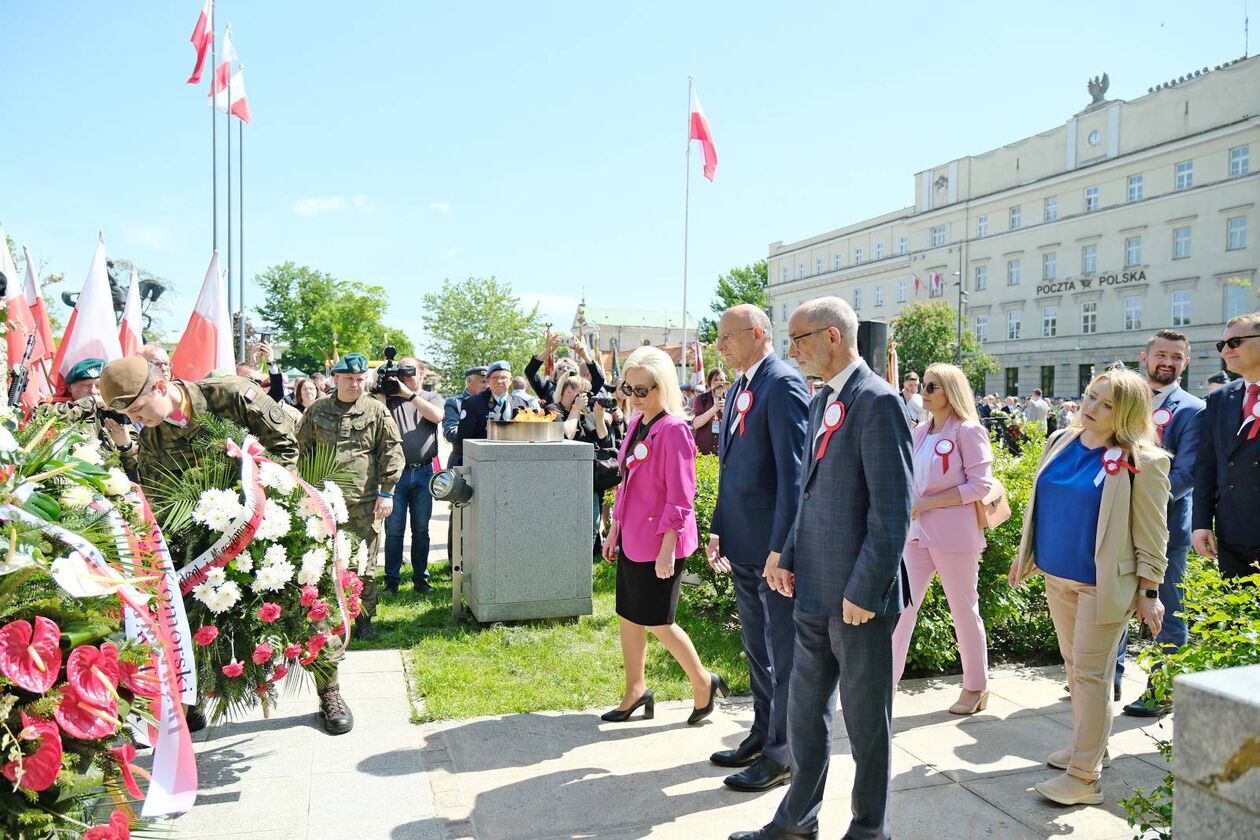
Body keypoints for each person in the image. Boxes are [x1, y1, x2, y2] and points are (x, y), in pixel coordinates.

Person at [738, 297, 912, 840]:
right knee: (805, 715)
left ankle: (868, 828)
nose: (792, 351)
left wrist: (865, 589)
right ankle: (796, 820)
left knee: (866, 726)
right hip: (811, 589)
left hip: (857, 602)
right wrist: (787, 558)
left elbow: (892, 513)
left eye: (798, 339)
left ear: (832, 336)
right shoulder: (821, 401)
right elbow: (808, 492)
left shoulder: (879, 402)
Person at [99, 354, 300, 733]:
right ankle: (189, 697)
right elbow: (161, 496)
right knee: (184, 610)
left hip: (268, 521)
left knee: (303, 603)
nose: (139, 421)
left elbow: (288, 446)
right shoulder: (155, 435)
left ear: (161, 385)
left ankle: (328, 687)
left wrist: (268, 503)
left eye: (140, 409)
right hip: (208, 541)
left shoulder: (230, 395)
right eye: (132, 416)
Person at [1010, 366, 1169, 807]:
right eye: (1090, 396)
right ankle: (1089, 746)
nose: (1091, 407)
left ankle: (1084, 777)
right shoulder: (1060, 441)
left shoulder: (1144, 461)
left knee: (1092, 676)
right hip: (1057, 577)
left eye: (1106, 403)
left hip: (1103, 587)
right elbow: (1044, 505)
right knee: (1075, 670)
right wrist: (1026, 557)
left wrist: (1149, 591)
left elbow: (1154, 534)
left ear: (1129, 412)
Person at [706, 304, 809, 794]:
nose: (720, 346)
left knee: (782, 651)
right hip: (743, 540)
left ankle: (783, 753)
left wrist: (782, 548)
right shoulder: (743, 386)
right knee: (756, 647)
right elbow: (732, 465)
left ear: (759, 333)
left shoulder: (783, 383)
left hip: (770, 547)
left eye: (728, 336)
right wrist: (718, 525)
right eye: (719, 338)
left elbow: (793, 475)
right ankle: (763, 733)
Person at [600, 346, 727, 726]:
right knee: (628, 615)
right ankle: (635, 690)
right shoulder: (639, 424)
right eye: (630, 388)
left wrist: (668, 547)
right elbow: (628, 484)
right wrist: (615, 530)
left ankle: (703, 681)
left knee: (658, 619)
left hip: (660, 541)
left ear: (663, 386)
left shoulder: (674, 429)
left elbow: (682, 495)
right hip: (633, 537)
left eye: (644, 390)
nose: (636, 397)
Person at [891, 363, 996, 715]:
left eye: (932, 385)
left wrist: (928, 502)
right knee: (901, 610)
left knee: (963, 611)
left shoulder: (968, 430)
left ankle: (975, 686)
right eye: (924, 384)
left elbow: (980, 485)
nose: (924, 390)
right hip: (916, 535)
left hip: (954, 537)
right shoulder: (921, 431)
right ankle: (885, 682)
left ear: (950, 391)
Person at [1120, 330, 1205, 716]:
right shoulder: (1123, 400)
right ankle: (1109, 679)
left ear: (1185, 363)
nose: (1166, 362)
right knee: (1113, 605)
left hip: (1165, 529)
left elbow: (1188, 473)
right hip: (1116, 526)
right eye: (1160, 355)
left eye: (1176, 356)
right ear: (1145, 357)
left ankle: (1162, 692)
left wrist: (1141, 500)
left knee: (1167, 611)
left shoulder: (1193, 409)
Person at [298, 353, 404, 649]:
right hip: (324, 504)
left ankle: (364, 620)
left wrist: (387, 492)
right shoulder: (317, 411)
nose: (355, 384)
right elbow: (301, 451)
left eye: (360, 380)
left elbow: (392, 451)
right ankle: (326, 617)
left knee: (363, 564)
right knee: (323, 562)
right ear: (336, 379)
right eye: (349, 379)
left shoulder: (376, 410)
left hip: (365, 501)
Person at [1193, 312, 1260, 579]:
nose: (1227, 351)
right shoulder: (1221, 398)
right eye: (1223, 345)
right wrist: (1200, 523)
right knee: (1235, 618)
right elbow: (1207, 464)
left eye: (1235, 342)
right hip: (1233, 533)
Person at [375, 357, 444, 596]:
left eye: (410, 372)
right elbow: (378, 417)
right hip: (395, 474)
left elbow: (437, 417)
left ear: (422, 373)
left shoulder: (430, 397)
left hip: (424, 472)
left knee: (421, 530)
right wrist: (381, 383)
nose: (406, 377)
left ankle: (420, 579)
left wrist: (409, 395)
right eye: (401, 373)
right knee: (394, 530)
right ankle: (391, 581)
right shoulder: (389, 399)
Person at [525, 333, 605, 405]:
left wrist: (584, 356)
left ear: (576, 375)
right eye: (560, 368)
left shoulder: (583, 388)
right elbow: (530, 372)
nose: (565, 369)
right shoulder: (547, 388)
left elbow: (599, 380)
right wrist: (548, 351)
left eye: (570, 368)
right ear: (555, 375)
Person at [690, 368, 729, 456]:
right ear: (710, 384)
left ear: (726, 384)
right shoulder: (701, 399)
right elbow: (695, 424)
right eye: (715, 380)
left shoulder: (731, 399)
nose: (718, 383)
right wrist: (714, 409)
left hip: (724, 453)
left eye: (722, 380)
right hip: (703, 453)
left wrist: (724, 411)